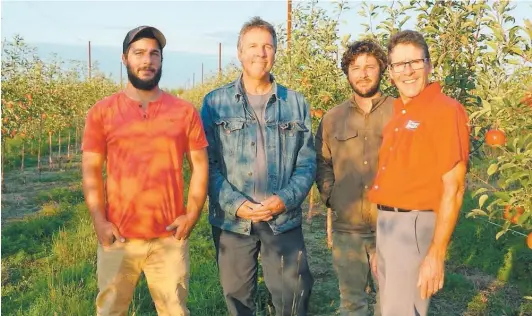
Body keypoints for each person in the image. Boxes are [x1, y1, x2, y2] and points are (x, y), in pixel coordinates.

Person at [81, 25, 209, 316]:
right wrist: (99, 221)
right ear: (125, 58)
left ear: (162, 61)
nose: (147, 60)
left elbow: (199, 166)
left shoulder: (184, 111)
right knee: (111, 309)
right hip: (119, 239)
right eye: (138, 53)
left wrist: (192, 214)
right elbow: (91, 170)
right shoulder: (102, 112)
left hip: (168, 239)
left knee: (174, 310)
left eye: (154, 54)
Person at [200, 16, 316, 316]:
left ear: (275, 52)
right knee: (238, 300)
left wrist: (284, 200)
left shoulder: (296, 103)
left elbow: (307, 162)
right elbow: (206, 164)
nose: (260, 53)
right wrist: (236, 204)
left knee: (293, 299)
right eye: (252, 45)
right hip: (233, 221)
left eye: (267, 46)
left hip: (283, 219)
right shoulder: (215, 103)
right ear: (239, 52)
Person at [367, 30, 470, 316]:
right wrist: (381, 243)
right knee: (390, 308)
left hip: (413, 226)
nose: (408, 71)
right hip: (389, 225)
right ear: (390, 73)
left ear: (429, 65)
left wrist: (436, 254)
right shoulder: (400, 114)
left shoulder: (445, 111)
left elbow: (455, 187)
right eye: (399, 65)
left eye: (415, 62)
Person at [315, 39, 393, 316]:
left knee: (391, 304)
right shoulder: (332, 118)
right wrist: (331, 196)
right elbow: (322, 162)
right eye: (355, 67)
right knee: (352, 304)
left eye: (370, 66)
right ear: (347, 72)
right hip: (348, 228)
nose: (363, 73)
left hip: (392, 227)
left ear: (382, 69)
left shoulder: (399, 113)